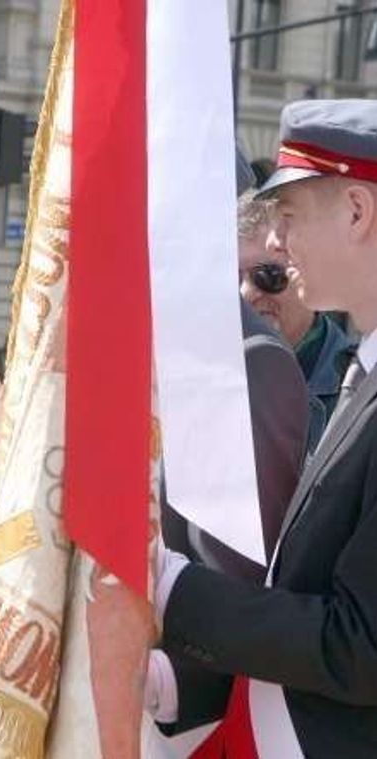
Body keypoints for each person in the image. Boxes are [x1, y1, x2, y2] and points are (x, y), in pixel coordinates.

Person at [155, 99, 377, 756]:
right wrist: (169, 683)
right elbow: (302, 590)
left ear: (358, 212)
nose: (275, 241)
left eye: (290, 216)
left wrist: (170, 586)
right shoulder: (363, 370)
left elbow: (357, 645)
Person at [237, 192, 355, 449]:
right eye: (232, 278)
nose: (245, 294)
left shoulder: (358, 388)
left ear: (304, 272)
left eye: (268, 275)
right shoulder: (200, 377)